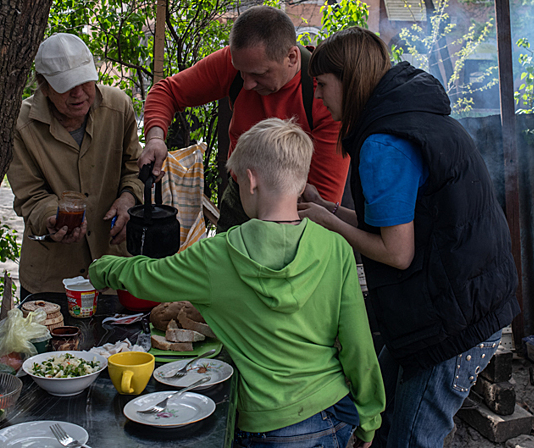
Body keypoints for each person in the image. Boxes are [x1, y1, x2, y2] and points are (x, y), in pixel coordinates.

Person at [90, 118, 385, 448]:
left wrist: (101, 268)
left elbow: (146, 277)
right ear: (301, 183)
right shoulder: (336, 248)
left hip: (269, 426)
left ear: (250, 180)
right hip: (334, 411)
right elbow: (358, 345)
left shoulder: (219, 254)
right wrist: (369, 418)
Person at [298, 27, 520, 448]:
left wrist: (330, 226)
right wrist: (328, 208)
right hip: (459, 302)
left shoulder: (384, 142)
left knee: (411, 440)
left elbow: (397, 253)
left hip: (452, 322)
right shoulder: (412, 117)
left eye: (322, 85)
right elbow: (398, 224)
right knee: (380, 415)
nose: (319, 99)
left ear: (350, 80)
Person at [139, 5, 349, 231]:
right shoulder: (239, 62)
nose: (247, 84)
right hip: (240, 197)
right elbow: (167, 92)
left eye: (259, 74)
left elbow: (322, 199)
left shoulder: (325, 98)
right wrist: (155, 139)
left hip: (296, 211)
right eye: (241, 72)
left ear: (291, 56)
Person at [8, 33, 144, 295]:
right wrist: (52, 217)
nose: (79, 94)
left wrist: (129, 198)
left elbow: (134, 169)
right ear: (44, 87)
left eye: (84, 82)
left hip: (113, 268)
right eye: (66, 86)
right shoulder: (21, 126)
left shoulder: (119, 107)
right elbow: (30, 195)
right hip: (53, 279)